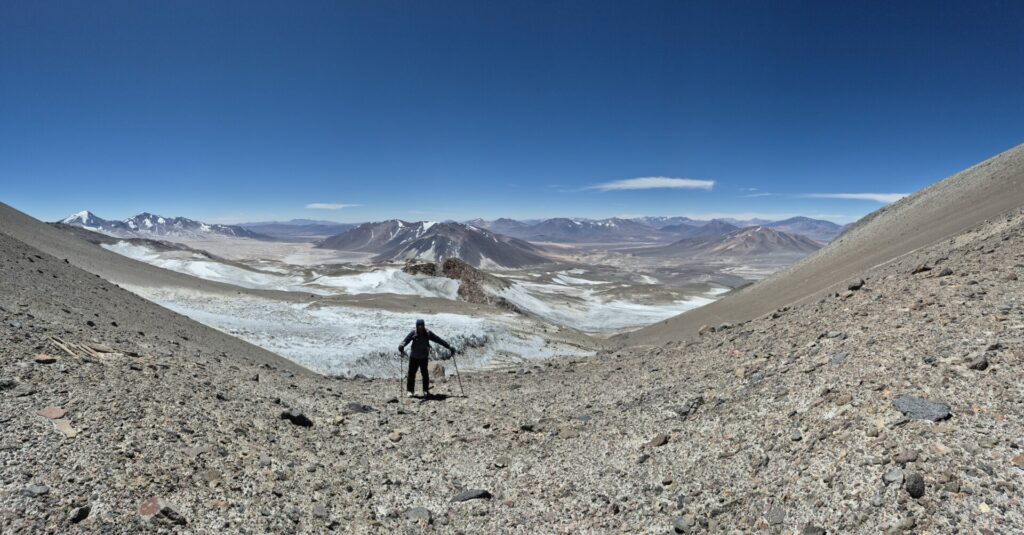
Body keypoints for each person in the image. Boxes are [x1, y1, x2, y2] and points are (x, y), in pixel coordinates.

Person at [399, 319, 454, 397]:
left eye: (422, 325)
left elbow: (438, 340)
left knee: (425, 374)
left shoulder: (428, 333)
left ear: (424, 326)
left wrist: (448, 346)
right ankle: (410, 391)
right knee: (411, 374)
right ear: (416, 326)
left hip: (423, 357)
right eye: (419, 326)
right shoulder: (413, 333)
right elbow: (405, 341)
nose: (420, 327)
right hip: (414, 357)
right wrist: (401, 346)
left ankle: (425, 390)